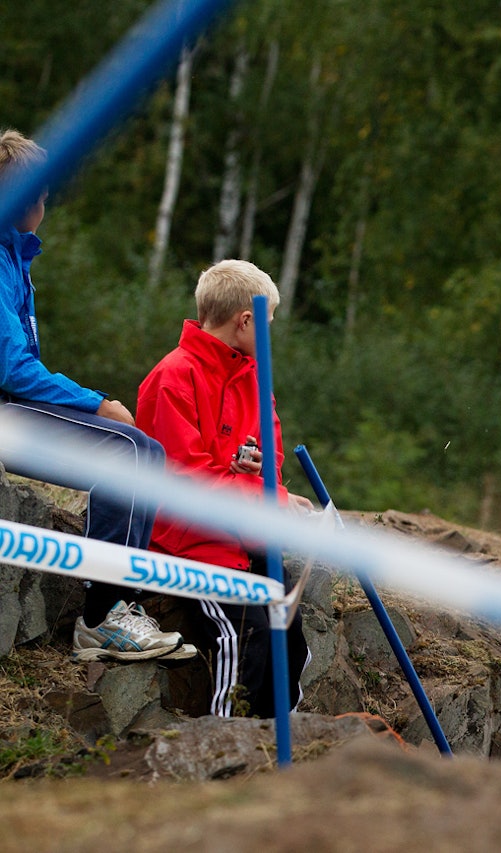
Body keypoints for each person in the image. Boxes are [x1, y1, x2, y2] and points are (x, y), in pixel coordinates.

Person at [0, 128, 190, 661]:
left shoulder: (15, 256)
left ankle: (120, 604)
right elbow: (12, 367)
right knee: (127, 450)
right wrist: (95, 401)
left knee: (143, 449)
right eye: (36, 189)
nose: (45, 199)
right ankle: (100, 617)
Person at [136, 259, 313, 717]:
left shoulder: (256, 377)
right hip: (193, 544)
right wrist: (264, 495)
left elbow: (269, 453)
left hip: (246, 534)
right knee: (246, 636)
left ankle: (282, 747)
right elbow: (184, 485)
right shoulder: (173, 377)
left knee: (288, 636)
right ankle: (228, 753)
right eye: (269, 323)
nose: (271, 336)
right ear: (246, 320)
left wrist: (259, 475)